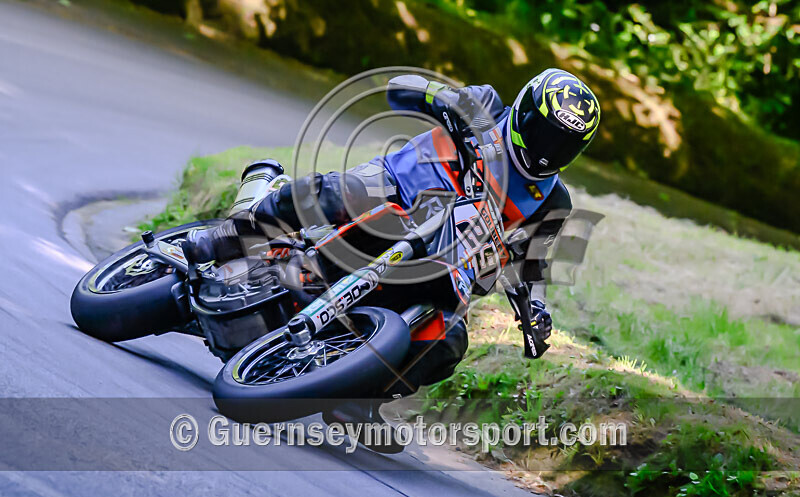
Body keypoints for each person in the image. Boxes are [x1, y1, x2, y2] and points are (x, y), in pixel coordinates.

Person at [183, 67, 601, 397]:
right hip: (394, 190)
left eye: (563, 144)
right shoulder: (485, 106)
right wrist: (444, 103)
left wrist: (537, 314)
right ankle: (225, 239)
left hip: (447, 257)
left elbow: (533, 266)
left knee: (450, 340)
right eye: (545, 134)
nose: (548, 151)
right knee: (328, 195)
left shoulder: (554, 201)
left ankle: (360, 400)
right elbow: (401, 87)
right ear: (526, 110)